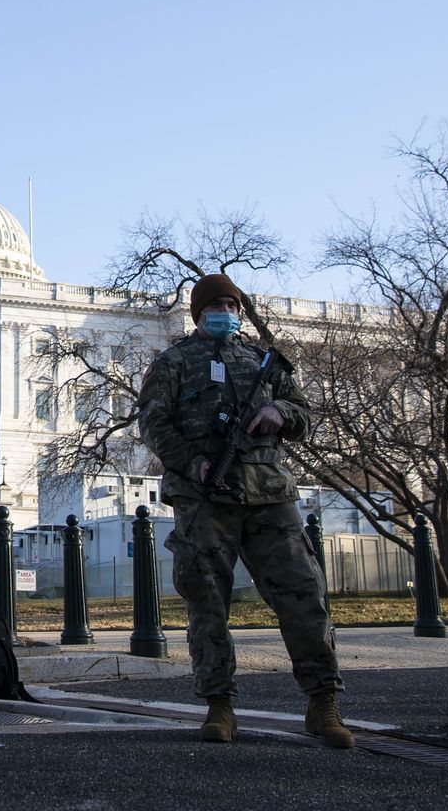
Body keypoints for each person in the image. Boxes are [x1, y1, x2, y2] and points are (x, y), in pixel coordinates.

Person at [135, 273, 353, 749]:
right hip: (206, 496)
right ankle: (219, 705)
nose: (226, 313)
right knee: (207, 604)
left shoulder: (263, 361)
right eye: (216, 306)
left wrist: (281, 414)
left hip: (270, 495)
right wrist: (195, 462)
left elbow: (302, 413)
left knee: (304, 596)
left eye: (232, 306)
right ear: (198, 314)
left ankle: (323, 702)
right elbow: (152, 424)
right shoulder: (172, 363)